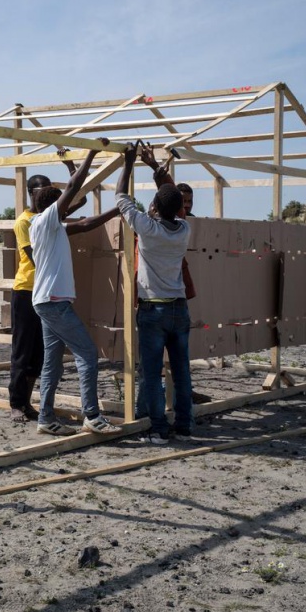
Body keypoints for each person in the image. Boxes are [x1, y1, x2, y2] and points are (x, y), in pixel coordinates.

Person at [30, 140, 123, 436]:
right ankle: (92, 415)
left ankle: (46, 418)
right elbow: (73, 187)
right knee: (87, 353)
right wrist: (91, 154)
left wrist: (115, 210)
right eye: (64, 204)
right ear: (53, 206)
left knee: (52, 363)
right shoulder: (45, 220)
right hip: (53, 302)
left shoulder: (52, 225)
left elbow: (86, 223)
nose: (68, 207)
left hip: (49, 302)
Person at [118, 143, 193, 444]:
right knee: (181, 371)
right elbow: (173, 199)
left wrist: (127, 164)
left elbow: (122, 199)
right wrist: (154, 168)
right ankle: (185, 426)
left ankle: (159, 430)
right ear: (179, 209)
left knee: (151, 373)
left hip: (152, 311)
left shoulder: (147, 228)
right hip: (179, 308)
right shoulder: (185, 229)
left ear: (155, 209)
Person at [8, 156, 85, 423]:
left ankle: (29, 403)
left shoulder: (49, 216)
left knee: (40, 353)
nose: (48, 195)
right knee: (22, 350)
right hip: (27, 290)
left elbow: (81, 198)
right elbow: (33, 257)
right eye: (43, 190)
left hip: (44, 291)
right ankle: (17, 404)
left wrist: (72, 168)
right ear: (32, 194)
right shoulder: (26, 222)